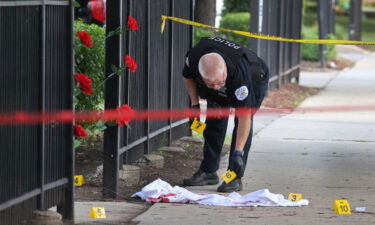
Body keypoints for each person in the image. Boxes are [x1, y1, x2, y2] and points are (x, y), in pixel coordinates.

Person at [182, 37, 269, 192]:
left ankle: (234, 176)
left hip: (255, 78)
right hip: (222, 78)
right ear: (201, 75)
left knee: (241, 126)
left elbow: (244, 118)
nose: (215, 88)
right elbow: (187, 77)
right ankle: (209, 171)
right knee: (214, 121)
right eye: (210, 84)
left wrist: (237, 153)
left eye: (218, 83)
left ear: (225, 71)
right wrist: (195, 106)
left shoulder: (239, 75)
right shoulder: (193, 58)